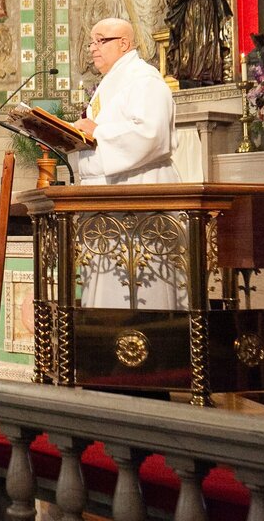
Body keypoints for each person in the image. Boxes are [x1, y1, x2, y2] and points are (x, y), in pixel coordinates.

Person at [73, 18, 184, 310]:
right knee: (109, 280)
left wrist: (96, 132)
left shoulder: (144, 80)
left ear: (124, 43)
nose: (93, 49)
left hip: (140, 192)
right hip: (112, 198)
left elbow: (152, 134)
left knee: (142, 283)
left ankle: (148, 340)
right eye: (92, 42)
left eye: (101, 41)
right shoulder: (112, 83)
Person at [166, 0, 233, 87]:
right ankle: (191, 73)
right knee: (190, 41)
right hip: (190, 13)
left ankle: (207, 73)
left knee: (207, 41)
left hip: (208, 15)